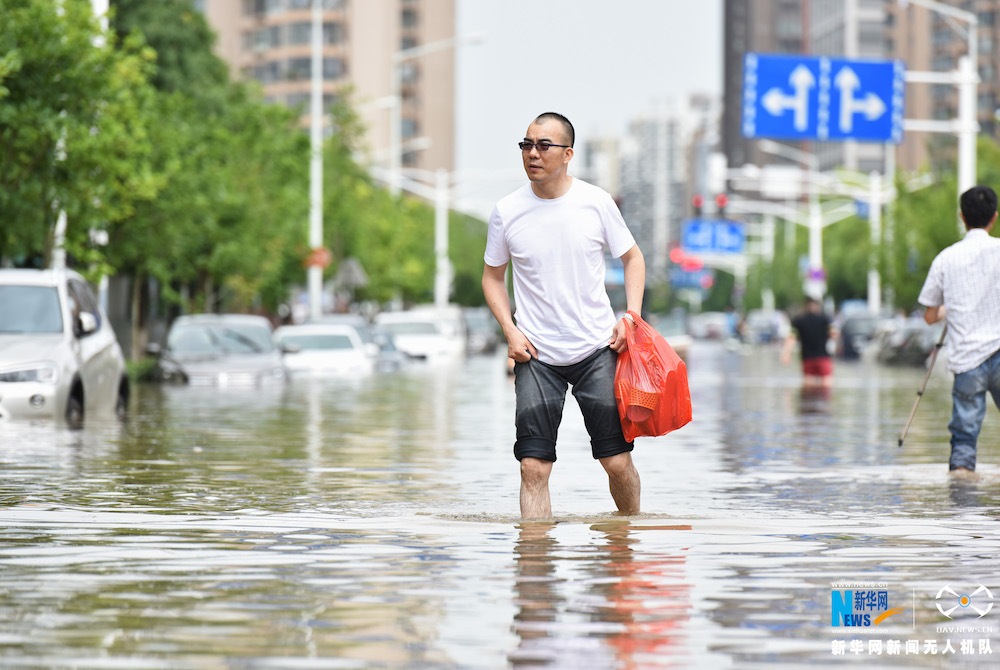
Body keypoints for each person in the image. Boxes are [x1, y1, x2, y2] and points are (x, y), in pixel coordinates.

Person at [481, 112, 646, 519]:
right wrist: (509, 330)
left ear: (568, 154)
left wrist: (631, 317)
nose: (532, 154)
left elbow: (633, 258)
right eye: (526, 145)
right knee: (532, 467)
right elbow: (491, 277)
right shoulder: (507, 211)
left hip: (597, 348)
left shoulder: (596, 202)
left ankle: (626, 539)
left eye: (543, 146)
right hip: (535, 355)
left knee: (616, 461)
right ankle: (534, 569)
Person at [917, 185, 1000, 477]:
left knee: (964, 444)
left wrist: (948, 308)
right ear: (995, 217)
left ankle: (961, 511)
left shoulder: (946, 258)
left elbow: (929, 315)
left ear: (962, 217)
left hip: (967, 360)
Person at [780, 296, 835, 389]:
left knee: (808, 387)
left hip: (807, 358)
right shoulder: (825, 319)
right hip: (823, 357)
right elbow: (834, 334)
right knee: (827, 385)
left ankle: (809, 403)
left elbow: (791, 338)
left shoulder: (799, 321)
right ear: (817, 306)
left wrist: (786, 353)